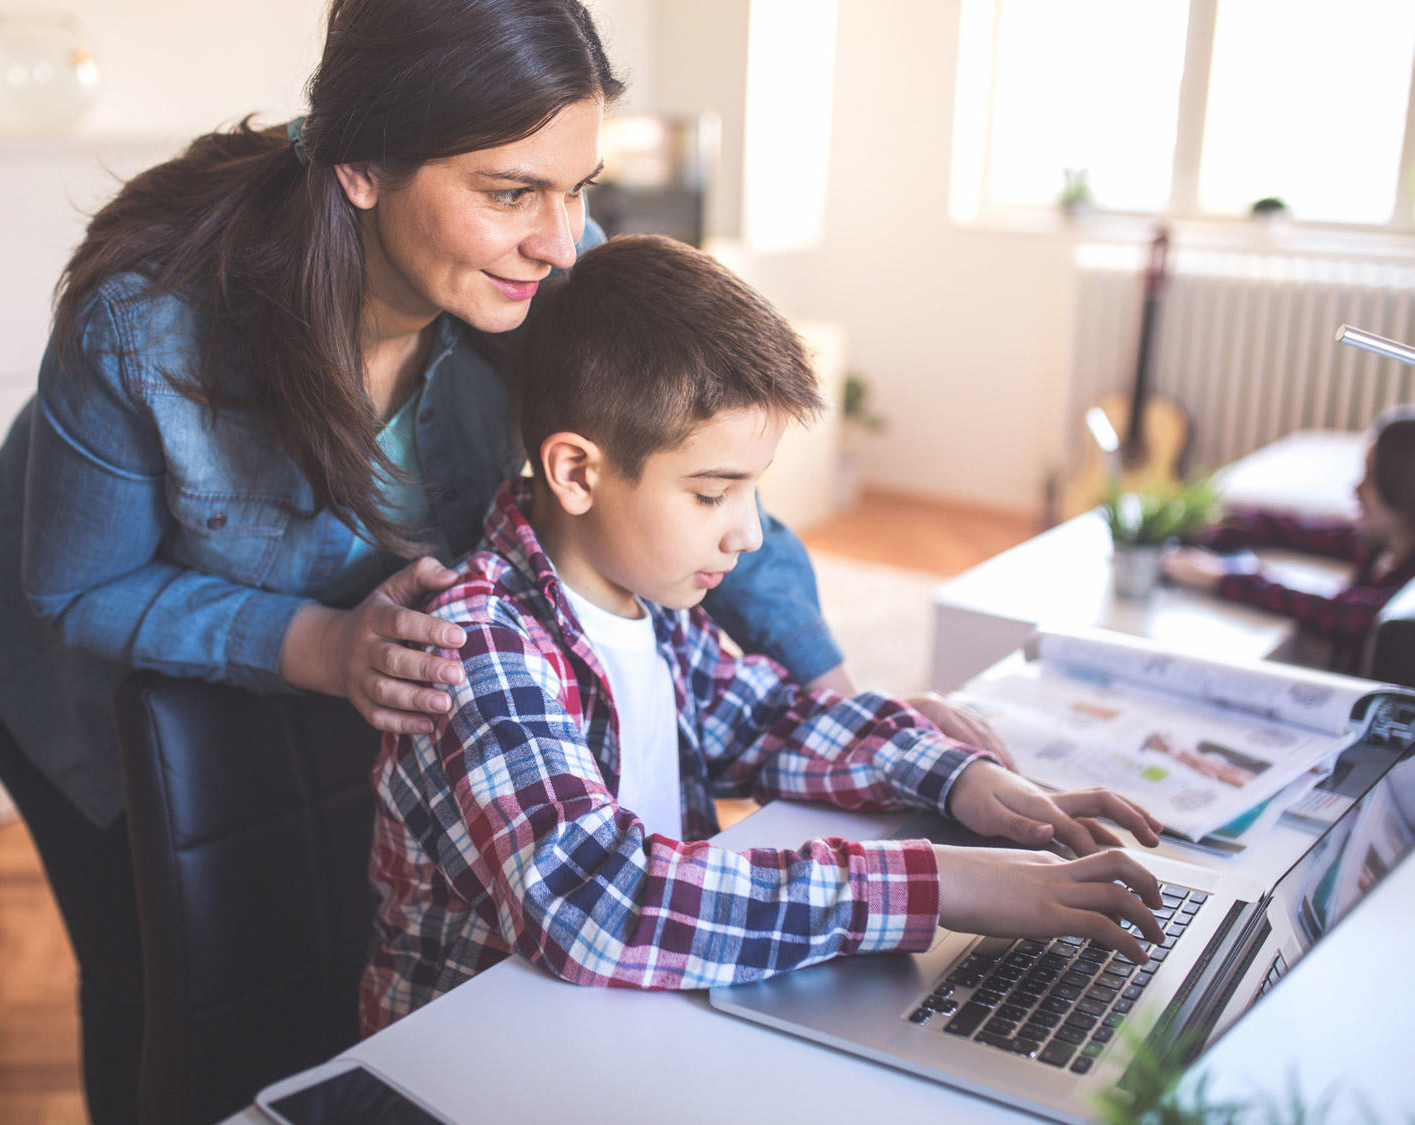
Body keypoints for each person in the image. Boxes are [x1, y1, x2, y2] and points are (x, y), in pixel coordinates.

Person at [0, 2, 932, 1118]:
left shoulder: (549, 265)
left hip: (356, 653)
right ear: (362, 167)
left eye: (580, 186)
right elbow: (79, 588)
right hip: (84, 667)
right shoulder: (147, 326)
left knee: (324, 944)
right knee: (154, 977)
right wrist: (316, 642)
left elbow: (684, 470)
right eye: (511, 192)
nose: (561, 242)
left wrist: (833, 689)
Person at [361, 235, 1168, 1034]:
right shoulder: (475, 644)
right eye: (714, 493)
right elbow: (600, 904)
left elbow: (770, 718)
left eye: (755, 490)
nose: (748, 534)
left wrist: (963, 780)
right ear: (576, 472)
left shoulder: (653, 606)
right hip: (477, 1055)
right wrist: (940, 883)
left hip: (636, 1013)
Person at [1163, 408, 1415, 672]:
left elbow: (1342, 615)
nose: (1356, 488)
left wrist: (1222, 576)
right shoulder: (1387, 543)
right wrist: (1221, 524)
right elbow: (1300, 531)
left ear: (1402, 486)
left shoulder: (1404, 592)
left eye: (1370, 477)